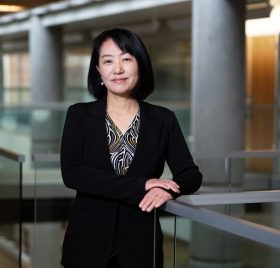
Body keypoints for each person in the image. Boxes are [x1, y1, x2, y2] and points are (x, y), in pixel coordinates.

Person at [60, 28, 202, 268]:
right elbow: (73, 174)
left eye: (126, 59)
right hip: (87, 245)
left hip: (141, 247)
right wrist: (142, 184)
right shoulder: (80, 115)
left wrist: (168, 192)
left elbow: (191, 175)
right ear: (98, 70)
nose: (117, 69)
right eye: (108, 61)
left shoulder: (163, 119)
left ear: (140, 64)